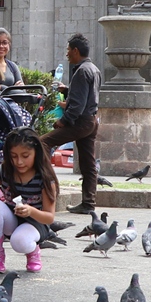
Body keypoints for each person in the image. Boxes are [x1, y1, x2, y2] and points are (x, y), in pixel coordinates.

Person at [0, 128, 59, 273]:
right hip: (11, 219)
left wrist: (30, 210)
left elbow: (49, 217)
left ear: (36, 153)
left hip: (35, 223)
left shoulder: (44, 178)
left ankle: (33, 251)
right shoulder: (3, 170)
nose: (19, 162)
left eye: (25, 156)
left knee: (19, 242)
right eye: (13, 156)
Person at [43, 32, 101, 214]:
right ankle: (88, 203)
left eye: (68, 50)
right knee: (88, 165)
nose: (67, 53)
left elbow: (77, 104)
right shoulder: (93, 69)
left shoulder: (81, 71)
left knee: (42, 143)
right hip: (91, 121)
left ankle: (48, 189)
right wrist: (67, 89)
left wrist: (63, 120)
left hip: (80, 122)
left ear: (76, 51)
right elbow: (87, 96)